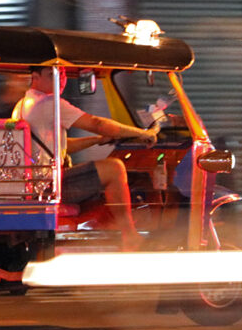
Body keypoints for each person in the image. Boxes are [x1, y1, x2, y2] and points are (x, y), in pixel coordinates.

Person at [12, 66, 159, 250]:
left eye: (63, 74)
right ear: (35, 77)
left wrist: (96, 140)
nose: (62, 79)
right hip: (48, 187)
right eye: (53, 74)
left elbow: (61, 146)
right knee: (114, 168)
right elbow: (98, 124)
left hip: (35, 184)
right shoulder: (49, 103)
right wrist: (144, 133)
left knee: (100, 172)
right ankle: (130, 236)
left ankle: (103, 232)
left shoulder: (23, 104)